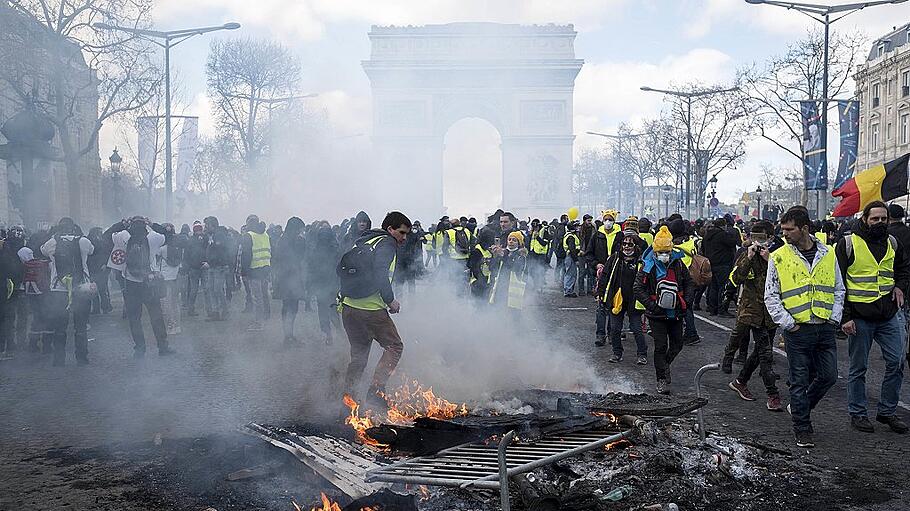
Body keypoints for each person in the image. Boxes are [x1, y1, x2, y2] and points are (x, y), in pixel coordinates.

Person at [765, 206, 845, 448]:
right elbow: (771, 295)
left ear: (805, 229)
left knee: (829, 376)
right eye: (783, 229)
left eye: (789, 229)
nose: (785, 233)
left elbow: (839, 288)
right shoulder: (779, 256)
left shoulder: (829, 254)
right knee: (799, 380)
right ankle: (802, 426)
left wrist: (834, 317)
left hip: (824, 326)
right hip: (797, 330)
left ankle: (799, 407)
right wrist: (788, 323)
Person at [835, 201, 909, 434]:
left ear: (888, 220)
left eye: (883, 219)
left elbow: (903, 268)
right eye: (874, 218)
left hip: (888, 314)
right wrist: (844, 317)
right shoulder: (848, 244)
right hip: (859, 316)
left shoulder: (893, 243)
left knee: (897, 362)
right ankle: (858, 413)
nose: (879, 222)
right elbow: (837, 282)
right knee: (858, 368)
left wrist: (900, 286)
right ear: (865, 219)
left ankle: (887, 411)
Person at [339, 211, 410, 408]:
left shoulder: (364, 240)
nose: (404, 238)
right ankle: (376, 392)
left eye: (406, 234)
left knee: (359, 354)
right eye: (401, 233)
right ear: (390, 229)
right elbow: (381, 274)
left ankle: (348, 397)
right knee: (395, 346)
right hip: (371, 309)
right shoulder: (387, 244)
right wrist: (390, 300)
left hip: (349, 308)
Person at [724, 221, 783, 412]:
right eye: (753, 237)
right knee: (765, 354)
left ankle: (741, 381)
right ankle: (773, 394)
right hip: (752, 310)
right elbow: (736, 279)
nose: (757, 241)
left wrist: (770, 261)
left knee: (759, 353)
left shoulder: (779, 256)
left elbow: (785, 280)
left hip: (771, 313)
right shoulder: (745, 254)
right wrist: (748, 258)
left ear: (771, 239)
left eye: (762, 238)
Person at [634, 226, 693, 394]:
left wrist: (687, 301)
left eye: (666, 252)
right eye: (661, 252)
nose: (664, 255)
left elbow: (688, 283)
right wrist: (651, 306)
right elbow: (638, 288)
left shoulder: (678, 263)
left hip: (676, 312)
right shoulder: (647, 266)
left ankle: (664, 364)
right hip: (656, 314)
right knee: (660, 346)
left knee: (678, 344)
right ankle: (661, 378)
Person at [112, 217, 173, 358]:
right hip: (149, 282)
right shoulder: (154, 237)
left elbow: (108, 235)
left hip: (130, 282)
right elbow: (169, 236)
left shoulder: (123, 236)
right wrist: (153, 224)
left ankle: (139, 348)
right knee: (156, 315)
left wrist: (122, 224)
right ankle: (163, 346)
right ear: (145, 225)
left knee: (134, 318)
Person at [40, 217, 95, 366]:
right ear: (73, 227)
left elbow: (42, 251)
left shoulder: (52, 242)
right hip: (81, 288)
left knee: (59, 326)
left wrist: (52, 234)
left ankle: (59, 360)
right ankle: (82, 359)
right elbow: (92, 251)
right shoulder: (83, 242)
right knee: (81, 326)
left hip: (59, 289)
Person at [599, 235, 648, 364]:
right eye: (624, 244)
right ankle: (616, 353)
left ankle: (642, 354)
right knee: (615, 328)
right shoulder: (614, 259)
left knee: (637, 329)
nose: (626, 246)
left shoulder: (641, 261)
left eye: (630, 244)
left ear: (636, 246)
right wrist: (600, 293)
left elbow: (648, 281)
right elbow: (605, 276)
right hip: (616, 300)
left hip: (634, 301)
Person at [274, 217, 308, 345]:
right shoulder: (285, 241)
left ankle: (289, 334)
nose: (301, 231)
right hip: (288, 278)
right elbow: (290, 259)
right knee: (290, 306)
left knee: (292, 306)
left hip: (290, 278)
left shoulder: (284, 240)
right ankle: (287, 335)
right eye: (299, 229)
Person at [307, 222, 341, 345]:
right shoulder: (334, 248)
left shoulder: (316, 249)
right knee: (331, 309)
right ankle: (333, 333)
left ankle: (330, 334)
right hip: (326, 285)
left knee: (326, 310)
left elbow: (311, 269)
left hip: (326, 285)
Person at [670, 219, 701, 345]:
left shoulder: (676, 246)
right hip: (693, 277)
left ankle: (691, 333)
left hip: (682, 278)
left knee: (685, 307)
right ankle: (688, 332)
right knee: (687, 306)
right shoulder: (691, 242)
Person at [702, 217, 741, 317]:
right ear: (723, 225)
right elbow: (734, 242)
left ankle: (712, 309)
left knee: (713, 287)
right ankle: (722, 309)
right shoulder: (723, 235)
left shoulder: (707, 235)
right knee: (723, 287)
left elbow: (702, 248)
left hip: (710, 263)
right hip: (722, 263)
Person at [488, 231, 528, 324]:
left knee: (514, 315)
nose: (511, 241)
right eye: (509, 239)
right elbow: (493, 268)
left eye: (514, 240)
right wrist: (494, 256)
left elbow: (516, 268)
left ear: (519, 243)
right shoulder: (503, 252)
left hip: (513, 290)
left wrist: (503, 255)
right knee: (498, 312)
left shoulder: (521, 255)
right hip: (500, 286)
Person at [240, 216, 272, 333]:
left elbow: (246, 256)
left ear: (249, 223)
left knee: (257, 297)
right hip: (265, 268)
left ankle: (258, 322)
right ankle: (266, 315)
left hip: (254, 270)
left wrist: (244, 272)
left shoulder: (248, 236)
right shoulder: (265, 234)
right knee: (264, 295)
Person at [0, 225, 27, 354]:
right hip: (8, 286)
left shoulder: (6, 246)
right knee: (9, 316)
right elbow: (12, 267)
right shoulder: (7, 248)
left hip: (7, 285)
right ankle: (10, 345)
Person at [202, 216, 232, 321]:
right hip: (212, 266)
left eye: (207, 225)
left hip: (219, 267)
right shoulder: (211, 236)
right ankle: (215, 312)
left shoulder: (219, 235)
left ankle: (224, 311)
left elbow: (219, 252)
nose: (205, 227)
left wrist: (210, 262)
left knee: (218, 290)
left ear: (212, 225)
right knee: (211, 289)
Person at [157, 223, 183, 336]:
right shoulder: (179, 248)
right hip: (176, 277)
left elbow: (156, 261)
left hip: (165, 278)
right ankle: (177, 325)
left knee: (166, 304)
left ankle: (170, 325)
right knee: (175, 302)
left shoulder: (162, 249)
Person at [86, 227, 113, 314]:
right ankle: (97, 308)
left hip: (100, 268)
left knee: (102, 289)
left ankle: (105, 307)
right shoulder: (89, 241)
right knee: (94, 289)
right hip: (93, 268)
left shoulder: (103, 242)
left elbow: (107, 254)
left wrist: (105, 264)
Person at [183, 221, 206, 316]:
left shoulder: (190, 240)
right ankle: (209, 310)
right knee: (204, 289)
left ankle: (191, 309)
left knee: (194, 290)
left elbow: (186, 256)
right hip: (201, 267)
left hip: (194, 268)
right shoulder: (204, 239)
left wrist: (187, 267)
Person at [468, 228, 496, 302]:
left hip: (487, 281)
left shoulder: (488, 249)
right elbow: (471, 265)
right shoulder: (477, 250)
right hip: (478, 282)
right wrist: (479, 280)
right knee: (478, 303)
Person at [578, 214, 596, 295]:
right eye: (588, 220)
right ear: (584, 220)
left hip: (590, 253)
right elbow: (578, 241)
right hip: (582, 253)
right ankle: (581, 290)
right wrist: (580, 250)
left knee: (590, 272)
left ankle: (589, 289)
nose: (590, 222)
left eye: (590, 220)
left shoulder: (593, 228)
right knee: (581, 272)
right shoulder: (580, 229)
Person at [562, 221, 581, 297]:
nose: (578, 227)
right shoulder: (571, 237)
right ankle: (568, 291)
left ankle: (569, 290)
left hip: (570, 257)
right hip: (571, 257)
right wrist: (576, 260)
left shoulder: (570, 235)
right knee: (570, 274)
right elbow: (572, 249)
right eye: (576, 226)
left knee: (571, 273)